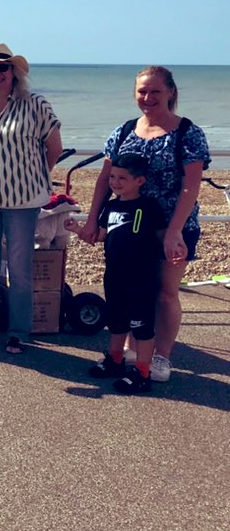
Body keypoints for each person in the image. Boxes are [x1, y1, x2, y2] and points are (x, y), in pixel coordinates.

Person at [77, 66, 210, 383]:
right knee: (127, 290)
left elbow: (192, 186)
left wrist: (175, 231)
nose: (148, 98)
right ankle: (127, 354)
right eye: (142, 91)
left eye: (155, 91)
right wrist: (93, 220)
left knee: (164, 293)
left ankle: (161, 357)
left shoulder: (187, 133)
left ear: (170, 93)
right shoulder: (123, 132)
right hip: (128, 228)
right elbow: (103, 182)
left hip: (171, 228)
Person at [0, 43, 63, 354]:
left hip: (23, 203)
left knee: (19, 268)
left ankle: (19, 331)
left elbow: (54, 148)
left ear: (13, 71)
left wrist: (34, 178)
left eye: (2, 67)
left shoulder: (35, 105)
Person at [65, 153, 166, 393]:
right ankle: (115, 360)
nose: (115, 182)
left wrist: (173, 249)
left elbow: (162, 237)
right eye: (112, 177)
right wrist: (77, 229)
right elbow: (99, 236)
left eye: (122, 178)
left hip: (141, 277)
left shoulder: (149, 206)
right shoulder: (110, 206)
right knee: (117, 321)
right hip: (114, 275)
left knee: (142, 326)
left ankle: (142, 372)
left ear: (139, 181)